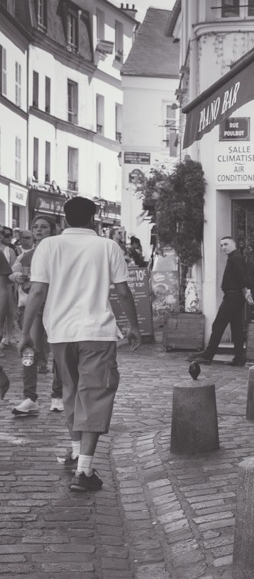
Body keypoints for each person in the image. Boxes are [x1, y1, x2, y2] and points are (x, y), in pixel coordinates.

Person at [21, 197, 141, 493]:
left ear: (64, 219)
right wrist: (134, 327)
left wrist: (26, 334)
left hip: (60, 332)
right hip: (96, 331)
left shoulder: (47, 247)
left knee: (71, 391)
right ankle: (84, 469)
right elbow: (123, 292)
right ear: (93, 219)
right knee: (97, 394)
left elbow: (37, 292)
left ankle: (76, 452)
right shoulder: (107, 246)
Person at [10, 216, 64, 416]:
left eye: (44, 227)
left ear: (53, 230)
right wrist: (16, 276)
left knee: (58, 351)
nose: (39, 230)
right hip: (31, 309)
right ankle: (29, 397)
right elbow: (11, 273)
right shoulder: (26, 256)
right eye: (35, 227)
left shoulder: (59, 254)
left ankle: (58, 395)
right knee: (28, 350)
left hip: (56, 307)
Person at [191, 236, 254, 366]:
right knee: (236, 328)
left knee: (218, 325)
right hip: (234, 296)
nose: (223, 247)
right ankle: (239, 358)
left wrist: (246, 291)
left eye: (226, 244)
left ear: (233, 245)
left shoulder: (235, 258)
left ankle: (208, 356)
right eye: (221, 245)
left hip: (233, 297)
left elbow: (242, 277)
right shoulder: (234, 257)